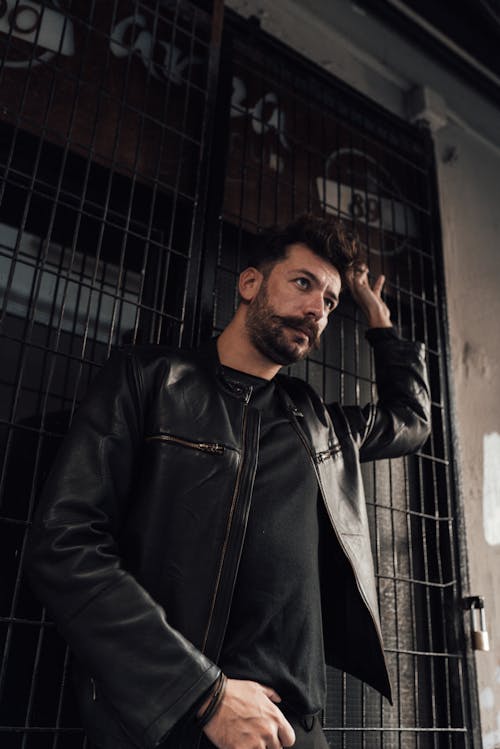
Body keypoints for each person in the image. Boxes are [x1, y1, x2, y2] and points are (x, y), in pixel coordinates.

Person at [26, 214, 431, 749]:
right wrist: (204, 693)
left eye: (330, 302)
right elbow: (64, 542)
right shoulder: (150, 380)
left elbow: (411, 420)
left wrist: (378, 320)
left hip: (296, 729)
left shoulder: (323, 427)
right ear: (250, 283)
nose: (316, 309)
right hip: (178, 719)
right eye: (303, 283)